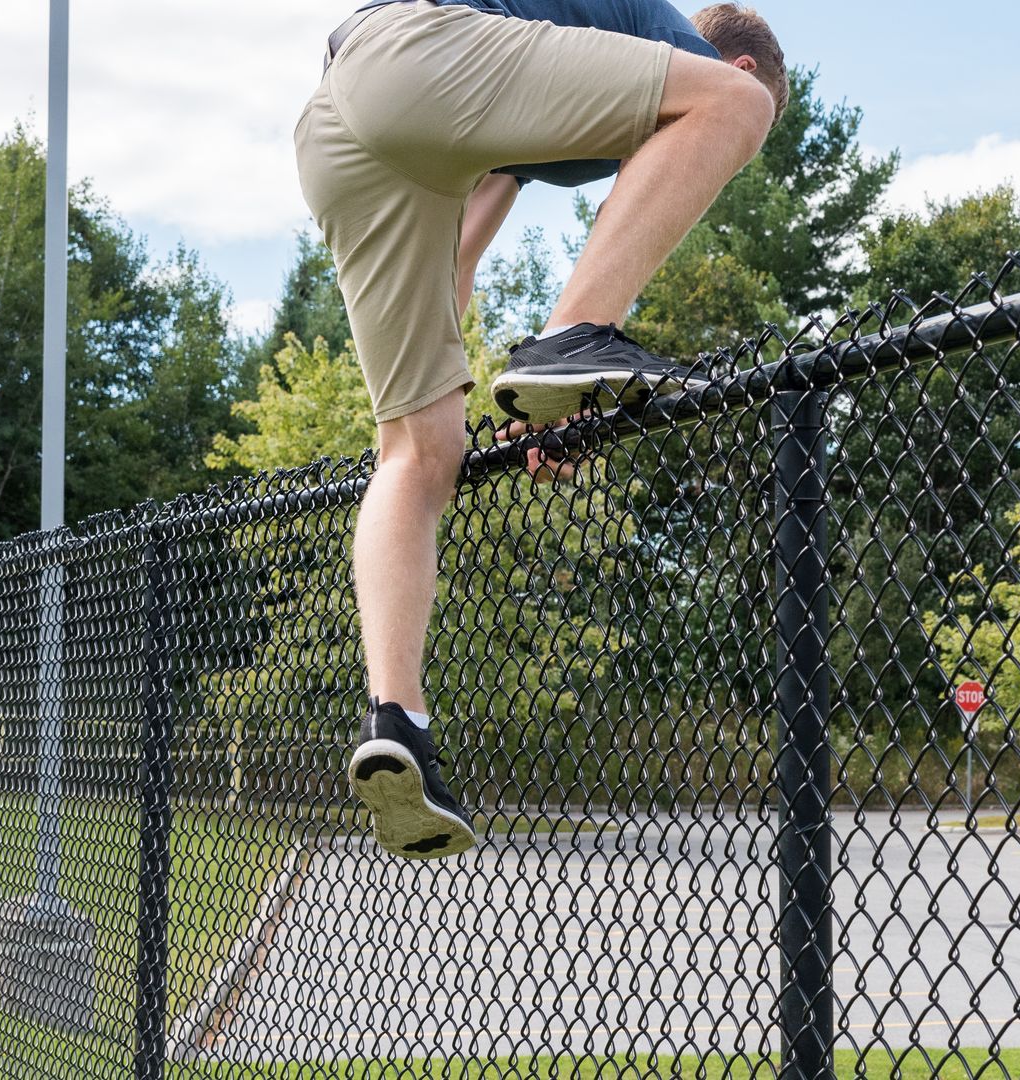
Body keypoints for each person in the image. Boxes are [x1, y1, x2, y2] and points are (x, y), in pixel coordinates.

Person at [294, 0, 787, 859]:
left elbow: (459, 257)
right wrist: (569, 349)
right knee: (734, 116)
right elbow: (718, 103)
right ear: (736, 60)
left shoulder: (533, 88)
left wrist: (543, 401)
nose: (709, 172)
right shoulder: (675, 47)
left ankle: (396, 719)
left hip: (345, 126)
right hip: (411, 51)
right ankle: (575, 336)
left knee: (417, 452)